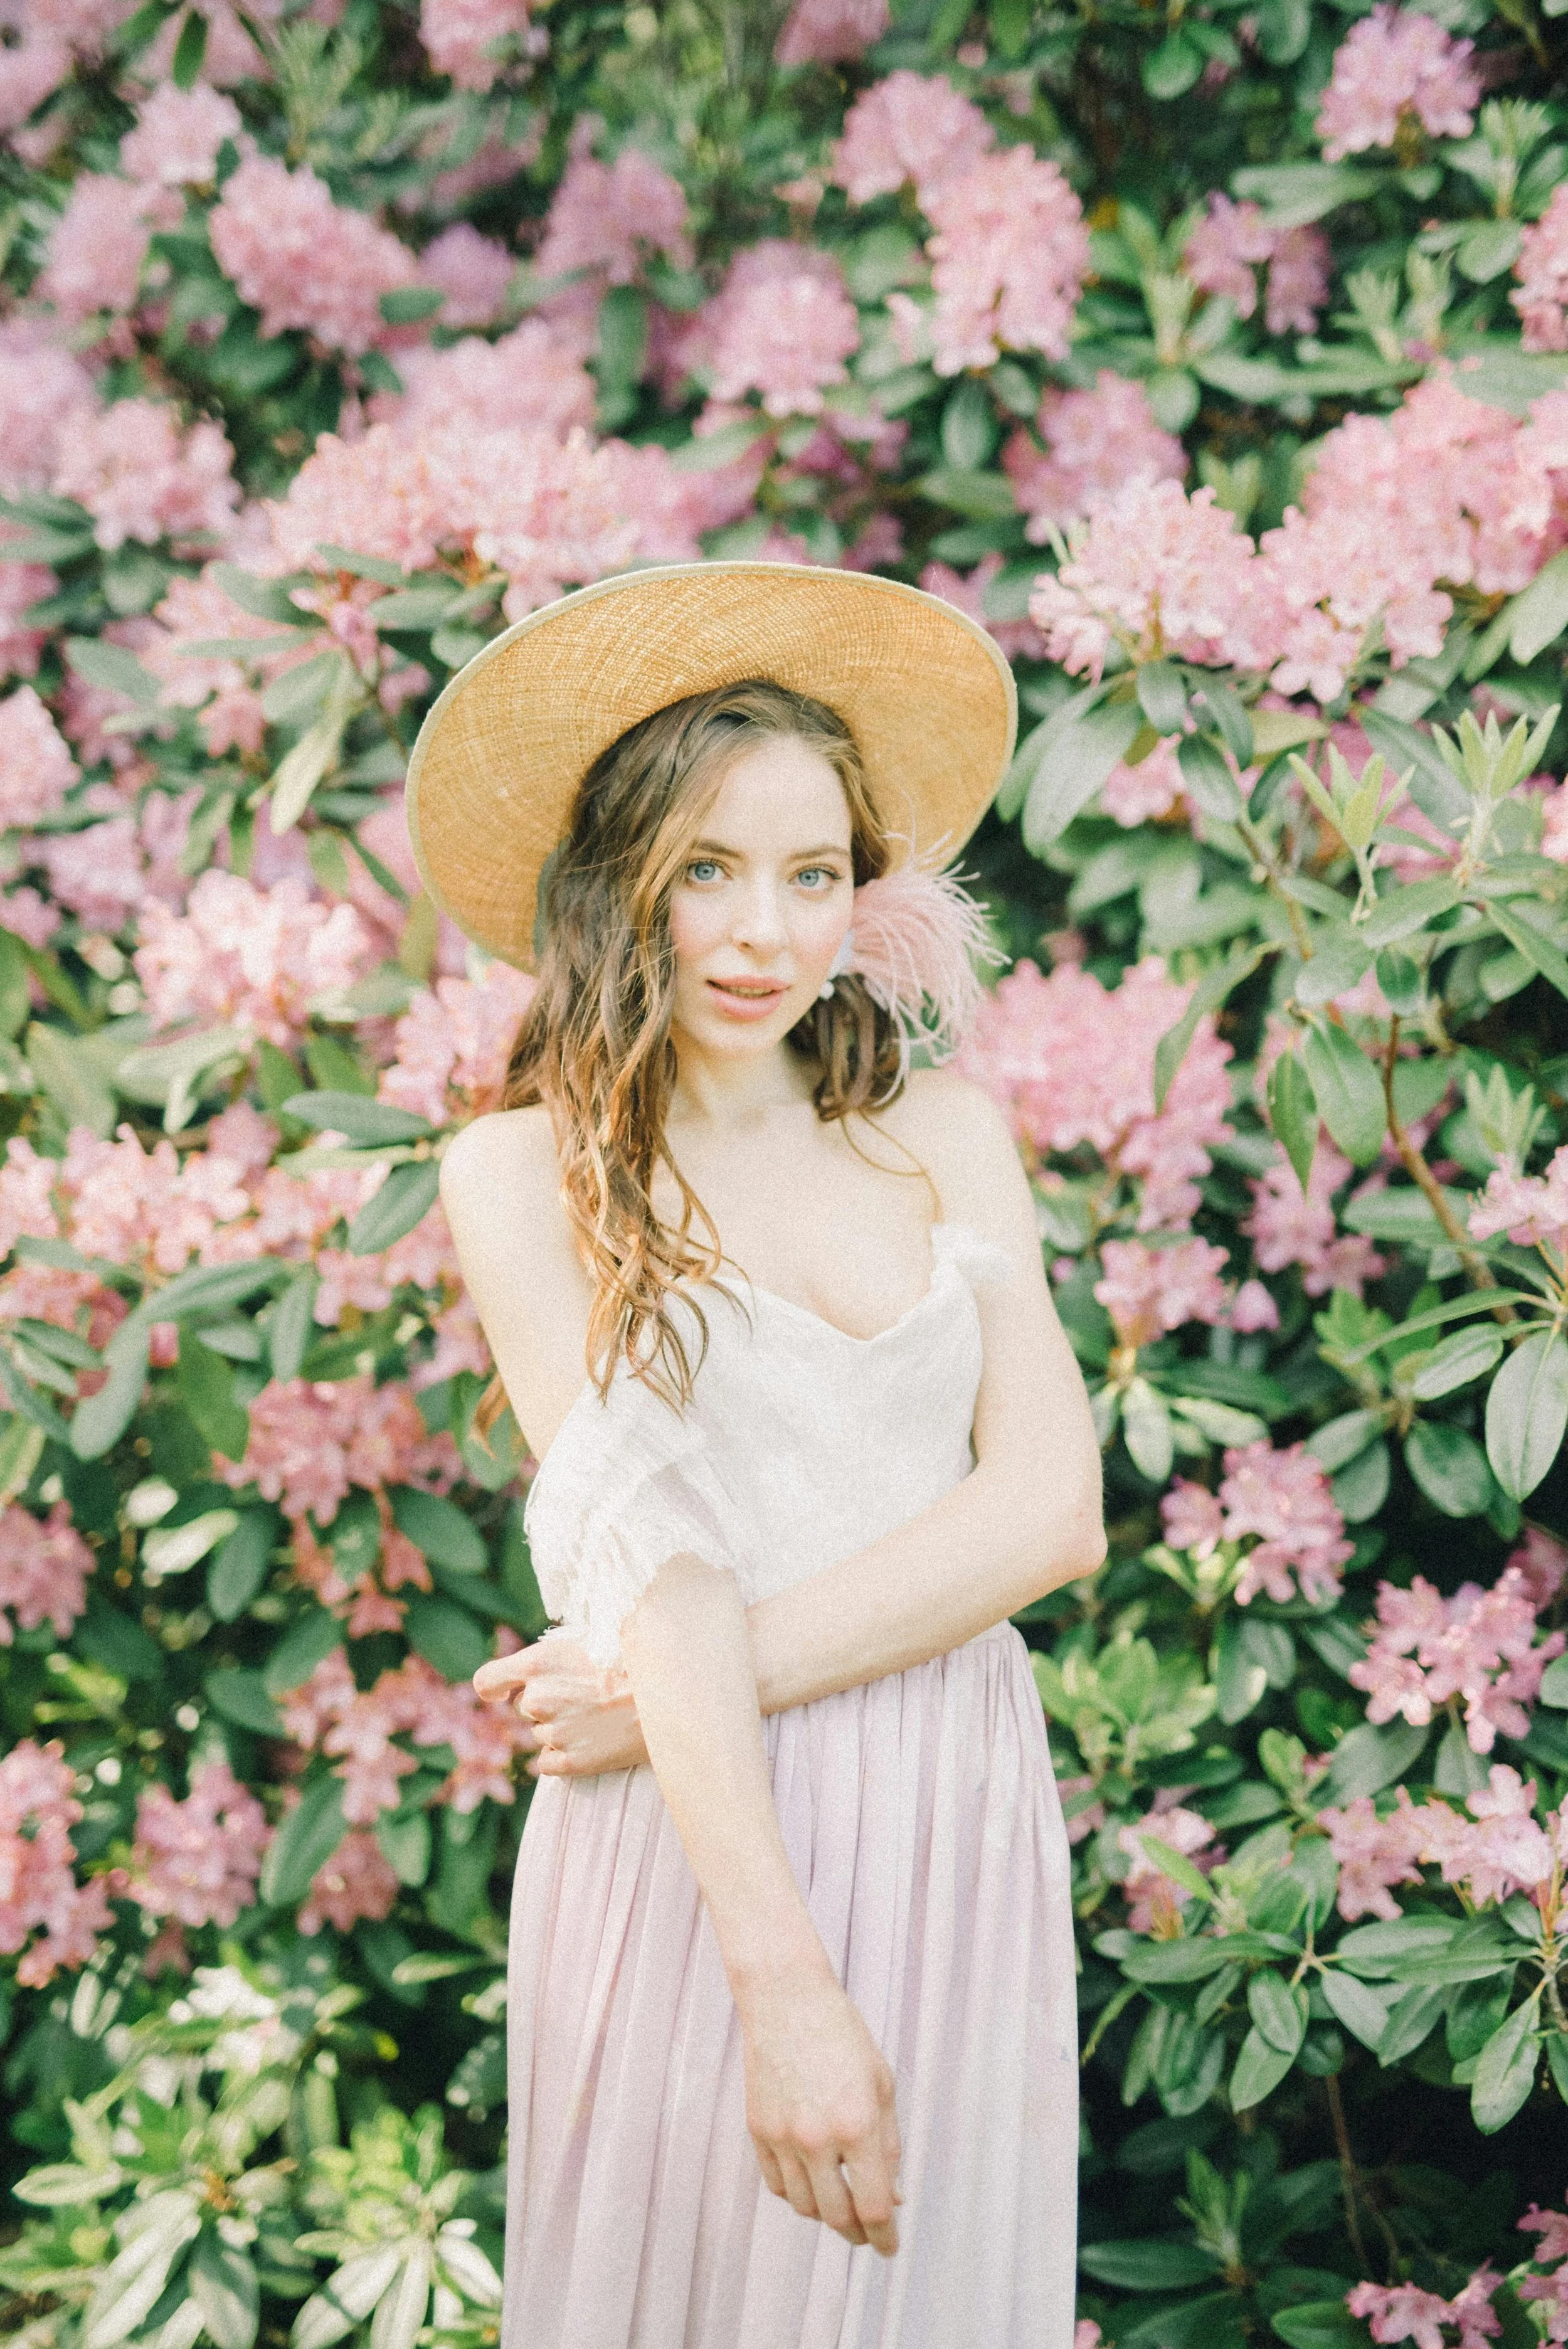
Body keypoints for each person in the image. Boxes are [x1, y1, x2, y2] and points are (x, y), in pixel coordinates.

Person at [412, 561, 1106, 2348]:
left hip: (945, 1800)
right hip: (702, 1849)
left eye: (813, 876)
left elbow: (1048, 1513)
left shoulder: (942, 1135)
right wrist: (781, 1982)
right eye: (706, 867)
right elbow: (660, 1565)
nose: (763, 932)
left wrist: (663, 1692)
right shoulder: (524, 1173)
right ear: (612, 880)